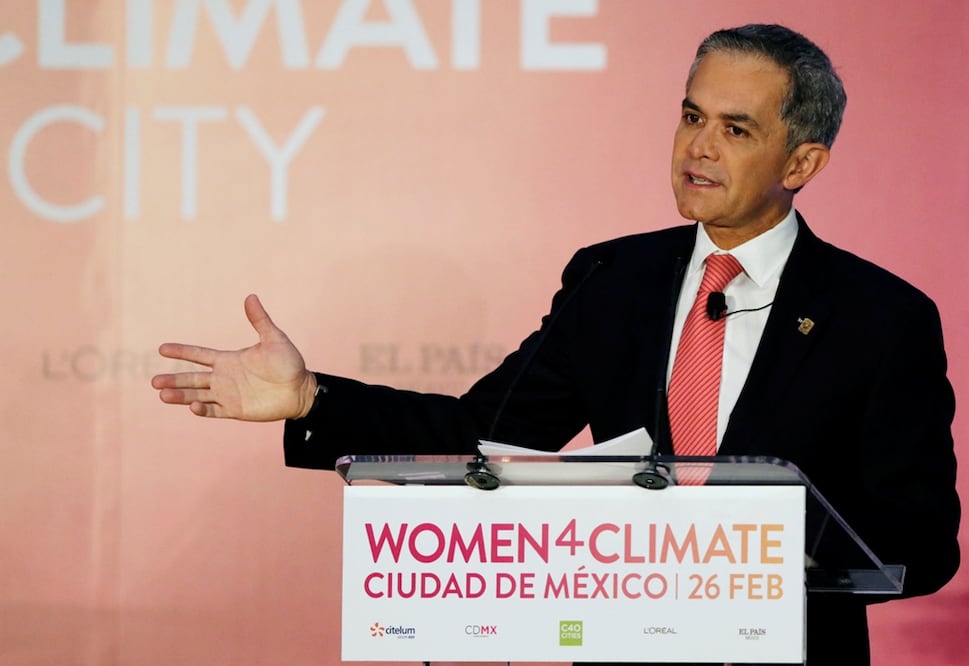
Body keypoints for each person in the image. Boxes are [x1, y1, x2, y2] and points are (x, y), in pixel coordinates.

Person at [152, 24, 960, 666]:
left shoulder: (880, 318)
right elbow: (485, 432)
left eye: (735, 128)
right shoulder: (613, 279)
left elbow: (919, 545)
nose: (697, 148)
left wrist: (746, 560)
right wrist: (310, 400)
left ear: (803, 160)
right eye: (690, 116)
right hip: (623, 655)